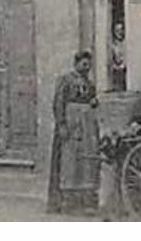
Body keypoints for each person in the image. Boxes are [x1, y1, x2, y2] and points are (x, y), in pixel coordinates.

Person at [46, 50, 100, 215]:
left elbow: (91, 99)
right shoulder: (65, 80)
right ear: (76, 63)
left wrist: (94, 102)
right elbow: (58, 102)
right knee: (69, 161)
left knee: (85, 161)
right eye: (84, 64)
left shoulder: (89, 83)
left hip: (86, 126)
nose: (86, 68)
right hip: (71, 124)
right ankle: (66, 201)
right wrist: (61, 124)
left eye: (88, 65)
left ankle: (83, 201)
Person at [108, 22, 128, 92]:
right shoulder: (113, 45)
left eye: (121, 30)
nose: (120, 32)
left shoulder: (126, 43)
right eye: (117, 30)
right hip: (117, 72)